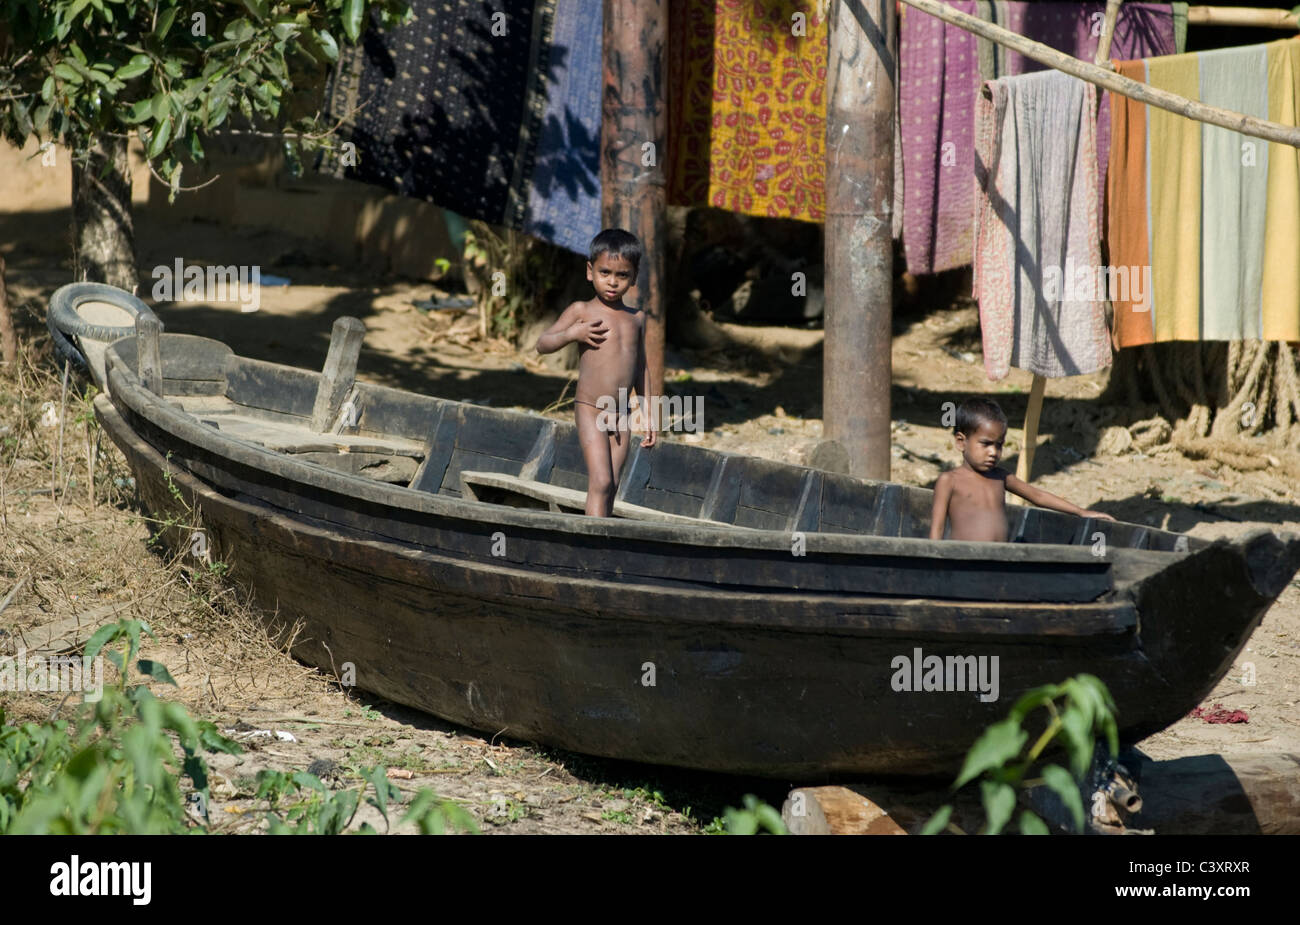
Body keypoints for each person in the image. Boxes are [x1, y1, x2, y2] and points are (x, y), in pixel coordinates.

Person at [535, 228, 656, 516]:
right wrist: (572, 333)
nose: (612, 282)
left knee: (613, 483)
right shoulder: (582, 312)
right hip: (590, 408)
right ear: (590, 271)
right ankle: (587, 543)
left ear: (634, 277)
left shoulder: (636, 319)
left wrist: (649, 412)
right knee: (600, 481)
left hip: (622, 413)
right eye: (605, 272)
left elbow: (641, 368)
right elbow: (542, 344)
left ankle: (602, 538)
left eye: (622, 275)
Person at [930, 397, 1115, 542]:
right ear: (961, 442)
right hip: (962, 561)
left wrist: (1081, 512)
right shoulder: (950, 480)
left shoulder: (1001, 477)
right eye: (985, 444)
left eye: (999, 445)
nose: (993, 452)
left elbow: (1038, 496)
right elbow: (936, 530)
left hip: (998, 563)